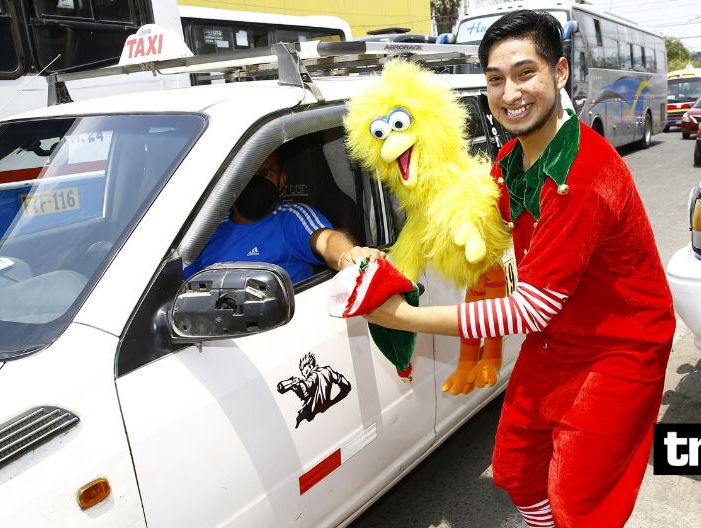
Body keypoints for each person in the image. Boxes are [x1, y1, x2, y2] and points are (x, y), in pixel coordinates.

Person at [363, 10, 675, 528]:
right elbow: (467, 216)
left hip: (619, 350)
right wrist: (387, 251)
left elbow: (531, 308)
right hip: (559, 339)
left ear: (560, 72)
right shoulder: (512, 157)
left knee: (580, 503)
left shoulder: (583, 175)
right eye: (495, 79)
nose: (510, 93)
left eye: (525, 73)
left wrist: (405, 318)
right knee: (515, 470)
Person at [184, 149, 384, 281]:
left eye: (266, 174)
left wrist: (349, 254)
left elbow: (327, 239)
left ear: (281, 182)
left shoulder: (291, 219)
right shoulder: (207, 228)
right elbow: (179, 282)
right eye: (246, 175)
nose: (254, 183)